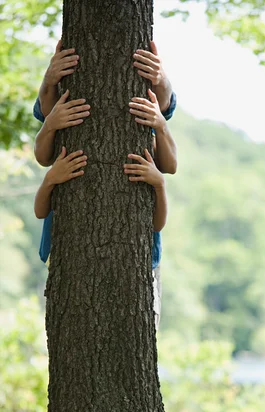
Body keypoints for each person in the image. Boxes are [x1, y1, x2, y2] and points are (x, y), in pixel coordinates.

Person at [33, 40, 177, 329]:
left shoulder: (151, 131)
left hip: (134, 264)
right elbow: (42, 159)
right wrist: (50, 118)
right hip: (72, 255)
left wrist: (160, 115)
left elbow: (170, 166)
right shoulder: (58, 119)